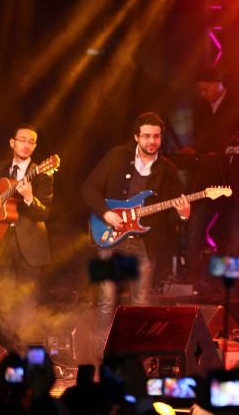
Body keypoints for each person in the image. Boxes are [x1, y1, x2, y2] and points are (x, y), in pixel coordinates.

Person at [82, 112, 190, 341]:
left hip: (145, 244)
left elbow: (171, 217)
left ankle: (137, 353)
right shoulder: (117, 157)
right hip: (110, 237)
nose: (152, 141)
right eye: (147, 136)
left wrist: (182, 215)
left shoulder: (168, 170)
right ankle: (103, 353)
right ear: (136, 137)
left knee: (140, 303)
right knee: (106, 299)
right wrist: (106, 213)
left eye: (156, 136)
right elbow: (89, 188)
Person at [184, 66, 239, 285]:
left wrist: (223, 148)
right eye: (199, 89)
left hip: (234, 179)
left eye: (205, 89)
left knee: (233, 234)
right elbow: (201, 139)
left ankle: (229, 284)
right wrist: (195, 152)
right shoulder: (200, 108)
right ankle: (194, 278)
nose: (202, 93)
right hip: (207, 178)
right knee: (195, 226)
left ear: (218, 84)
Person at [0, 125, 52, 349]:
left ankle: (27, 351)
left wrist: (29, 197)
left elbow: (44, 213)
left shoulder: (42, 172)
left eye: (31, 141)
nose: (26, 145)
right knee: (2, 298)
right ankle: (7, 351)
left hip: (29, 245)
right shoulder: (0, 168)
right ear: (12, 143)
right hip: (2, 242)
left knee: (27, 300)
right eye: (22, 140)